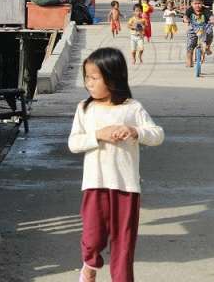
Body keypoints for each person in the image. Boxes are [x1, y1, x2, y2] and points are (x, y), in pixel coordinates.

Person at [68, 47, 164, 282]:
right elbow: (74, 143)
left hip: (126, 186)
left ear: (112, 78)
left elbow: (157, 134)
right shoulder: (85, 108)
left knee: (123, 243)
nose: (88, 83)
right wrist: (98, 135)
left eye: (94, 77)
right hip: (95, 184)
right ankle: (89, 265)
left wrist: (134, 131)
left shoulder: (132, 108)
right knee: (92, 237)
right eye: (86, 77)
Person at [182, 0, 214, 67]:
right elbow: (185, 17)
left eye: (199, 3)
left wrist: (213, 20)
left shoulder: (205, 10)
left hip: (204, 28)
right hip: (193, 29)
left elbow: (211, 16)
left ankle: (207, 47)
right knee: (190, 46)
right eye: (195, 3)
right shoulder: (190, 10)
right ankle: (189, 60)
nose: (197, 5)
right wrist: (186, 20)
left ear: (202, 3)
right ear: (191, 3)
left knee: (210, 32)